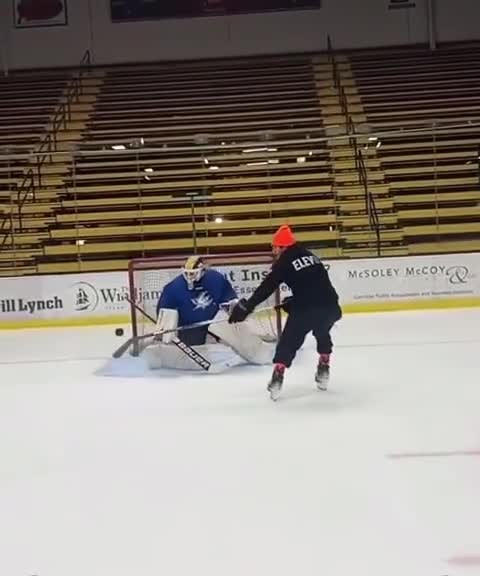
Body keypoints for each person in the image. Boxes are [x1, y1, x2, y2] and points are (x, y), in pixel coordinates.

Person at [228, 224, 342, 400]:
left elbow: (266, 288)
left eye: (275, 247)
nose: (273, 251)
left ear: (283, 247)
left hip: (306, 309)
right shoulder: (310, 255)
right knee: (322, 331)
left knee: (288, 342)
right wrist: (295, 301)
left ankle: (277, 377)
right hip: (331, 306)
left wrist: (247, 307)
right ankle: (324, 368)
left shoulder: (284, 262)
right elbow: (317, 286)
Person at [144, 255, 275, 371]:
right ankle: (158, 355)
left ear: (202, 270)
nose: (189, 277)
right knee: (190, 362)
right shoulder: (173, 288)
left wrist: (234, 308)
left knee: (237, 329)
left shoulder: (216, 279)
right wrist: (166, 327)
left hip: (214, 319)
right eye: (187, 273)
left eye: (193, 273)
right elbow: (164, 312)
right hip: (189, 326)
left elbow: (228, 300)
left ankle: (260, 354)